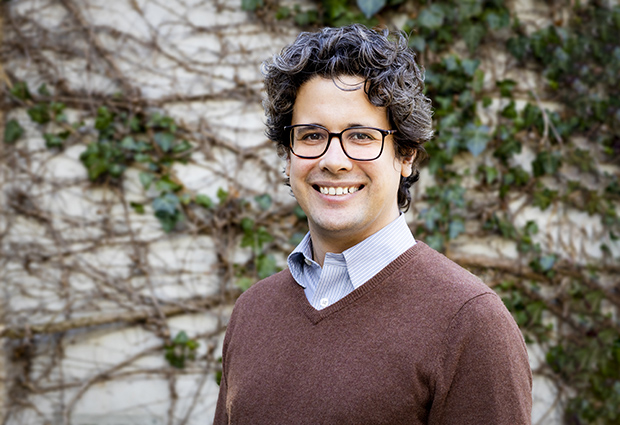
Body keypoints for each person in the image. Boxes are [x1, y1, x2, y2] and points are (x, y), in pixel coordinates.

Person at [214, 24, 532, 425]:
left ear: (406, 155)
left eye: (361, 136)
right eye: (312, 135)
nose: (334, 160)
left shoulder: (469, 323)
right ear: (288, 150)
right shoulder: (253, 311)